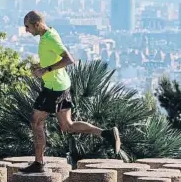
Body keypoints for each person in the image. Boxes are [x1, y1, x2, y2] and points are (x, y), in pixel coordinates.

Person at [19, 10, 121, 173]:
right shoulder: (49, 33)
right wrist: (41, 67)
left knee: (36, 122)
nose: (26, 30)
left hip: (54, 88)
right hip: (61, 85)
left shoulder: (49, 38)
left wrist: (46, 70)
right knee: (68, 125)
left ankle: (39, 163)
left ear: (37, 24)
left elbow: (69, 59)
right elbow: (53, 58)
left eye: (27, 26)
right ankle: (106, 134)